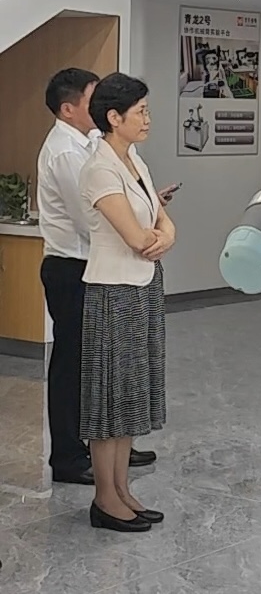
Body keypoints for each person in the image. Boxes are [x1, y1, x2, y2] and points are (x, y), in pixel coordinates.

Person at [36, 68, 158, 487]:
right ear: (68, 109)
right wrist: (137, 225)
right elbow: (93, 219)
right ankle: (70, 456)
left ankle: (110, 446)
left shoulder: (96, 146)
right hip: (74, 266)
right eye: (93, 98)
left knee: (105, 367)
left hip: (103, 264)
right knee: (76, 365)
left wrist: (142, 215)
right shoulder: (66, 153)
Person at [78, 73, 174, 532]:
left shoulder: (134, 159)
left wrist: (165, 235)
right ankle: (104, 498)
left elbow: (161, 220)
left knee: (131, 395)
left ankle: (121, 490)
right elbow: (137, 237)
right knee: (110, 400)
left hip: (143, 287)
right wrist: (159, 236)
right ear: (114, 117)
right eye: (141, 112)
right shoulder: (99, 168)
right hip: (114, 292)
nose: (147, 119)